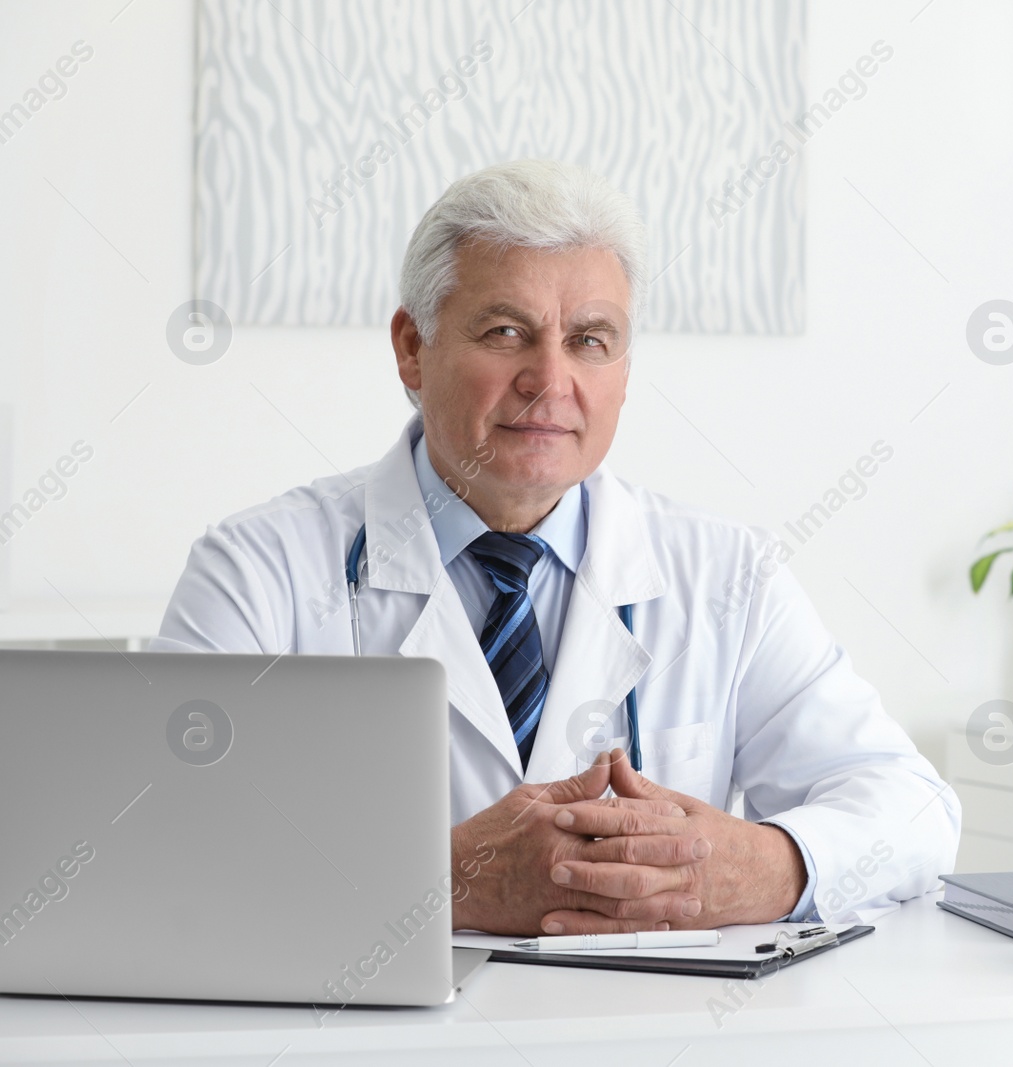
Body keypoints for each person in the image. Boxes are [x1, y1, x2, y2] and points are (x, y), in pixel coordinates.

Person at [155, 159, 960, 936]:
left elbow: (912, 808)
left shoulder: (728, 574)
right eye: (506, 332)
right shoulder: (258, 570)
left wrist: (755, 866)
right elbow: (162, 850)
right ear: (412, 347)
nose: (550, 378)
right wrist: (448, 880)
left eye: (590, 340)